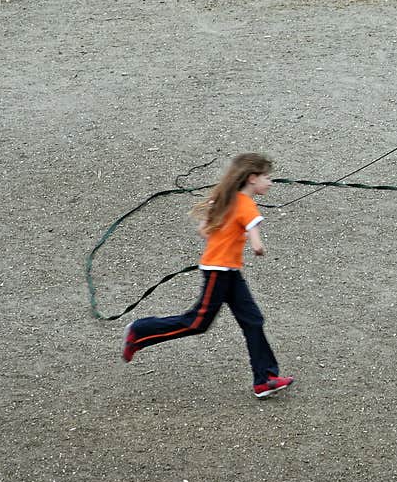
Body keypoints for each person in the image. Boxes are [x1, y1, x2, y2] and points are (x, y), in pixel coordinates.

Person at [120, 152, 294, 400]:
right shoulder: (246, 205)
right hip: (219, 272)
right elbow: (256, 243)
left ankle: (265, 379)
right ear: (253, 178)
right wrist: (256, 245)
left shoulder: (225, 199)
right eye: (267, 177)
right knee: (197, 322)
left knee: (252, 319)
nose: (270, 182)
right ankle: (140, 330)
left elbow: (204, 231)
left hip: (227, 271)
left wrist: (224, 237)